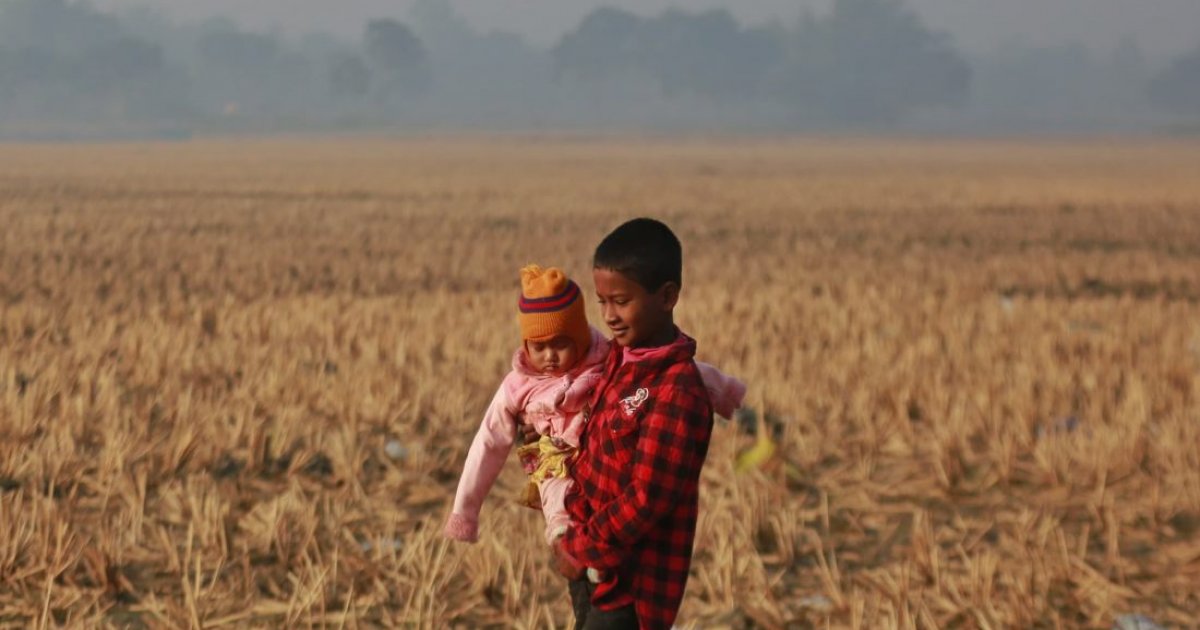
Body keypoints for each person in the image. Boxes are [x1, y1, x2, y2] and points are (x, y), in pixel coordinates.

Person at [443, 264, 745, 564]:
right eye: (539, 347)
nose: (549, 356)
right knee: (558, 502)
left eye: (560, 344)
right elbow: (488, 443)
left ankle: (600, 558)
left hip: (605, 463)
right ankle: (572, 549)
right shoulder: (517, 387)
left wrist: (724, 392)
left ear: (580, 337)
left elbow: (669, 372)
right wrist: (464, 513)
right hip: (558, 464)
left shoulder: (606, 360)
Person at [552, 218, 719, 629]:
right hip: (593, 572)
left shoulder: (676, 392)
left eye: (621, 301)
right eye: (602, 301)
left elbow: (644, 499)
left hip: (633, 590)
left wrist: (580, 546)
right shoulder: (617, 360)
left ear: (667, 297)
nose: (608, 315)